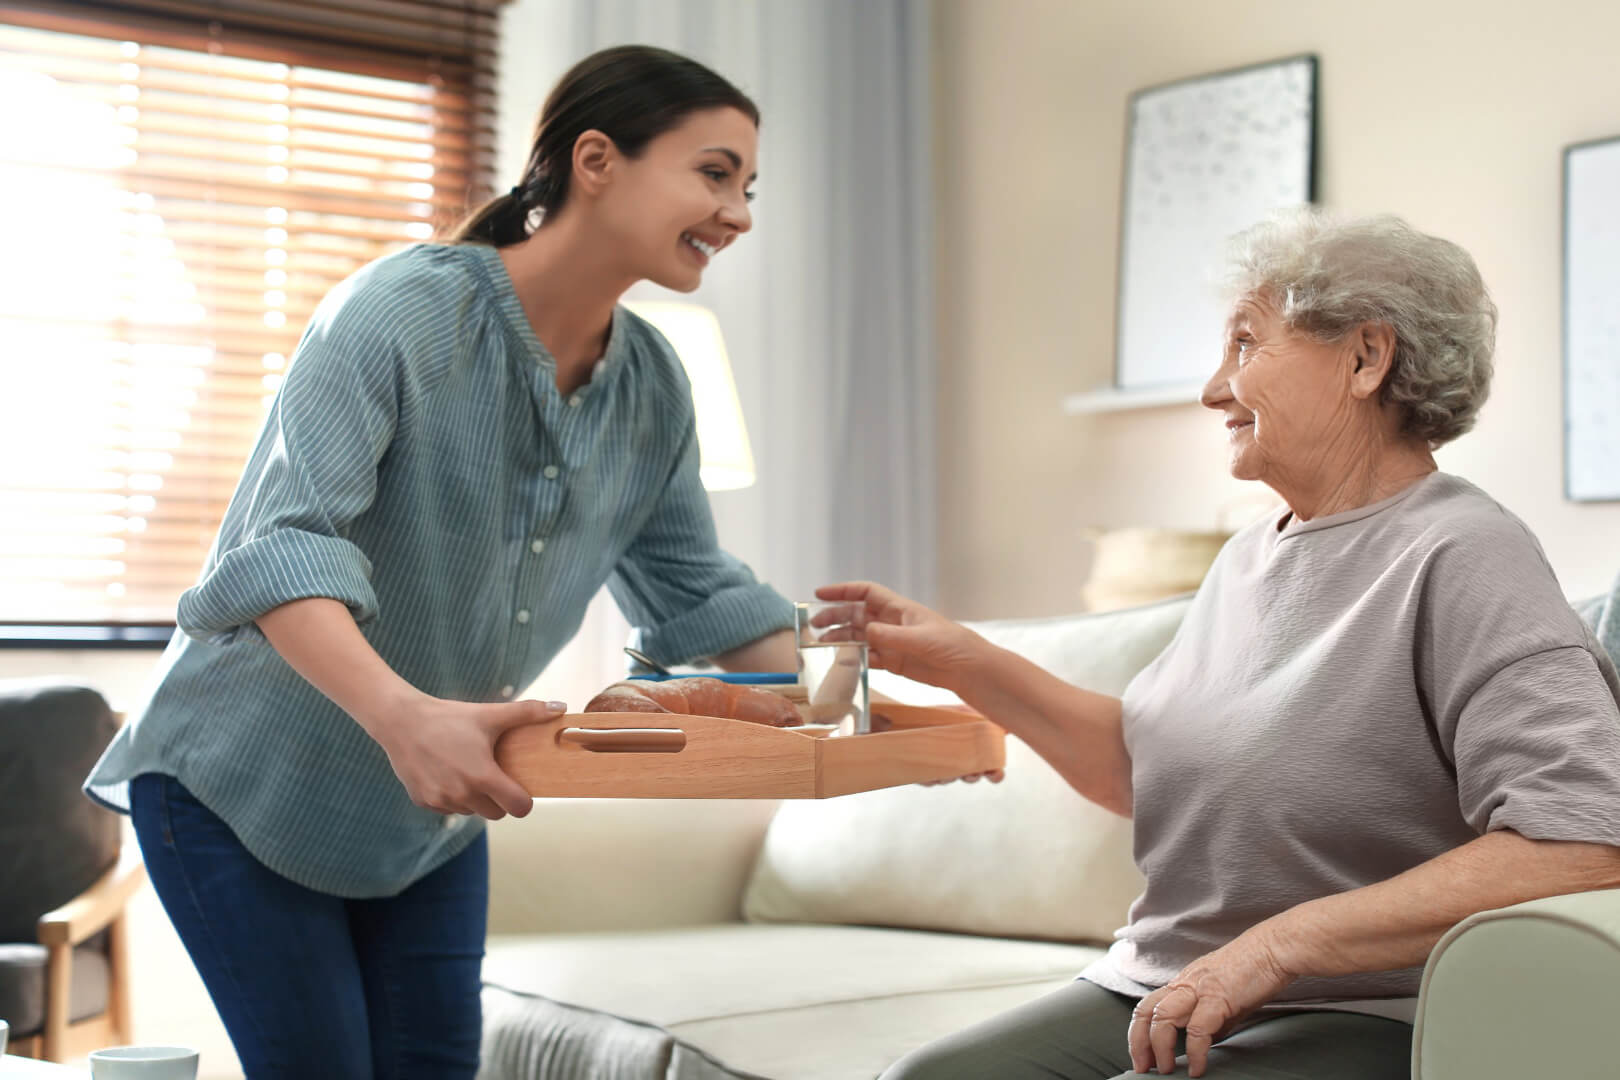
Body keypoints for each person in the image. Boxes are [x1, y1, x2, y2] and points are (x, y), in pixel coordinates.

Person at [84, 45, 797, 1079]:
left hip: (430, 817)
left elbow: (700, 594)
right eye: (715, 172)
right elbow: (285, 545)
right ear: (595, 160)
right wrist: (405, 717)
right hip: (243, 790)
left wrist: (856, 694)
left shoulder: (655, 383)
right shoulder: (403, 311)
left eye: (748, 186)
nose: (737, 212)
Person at [840, 209, 1620, 1079]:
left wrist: (1280, 946)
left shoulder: (1464, 553)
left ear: (1366, 357)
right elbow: (1146, 771)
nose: (1215, 390)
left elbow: (1583, 842)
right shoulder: (1251, 556)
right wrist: (964, 661)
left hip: (1371, 1006)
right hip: (1161, 984)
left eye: (1246, 345)